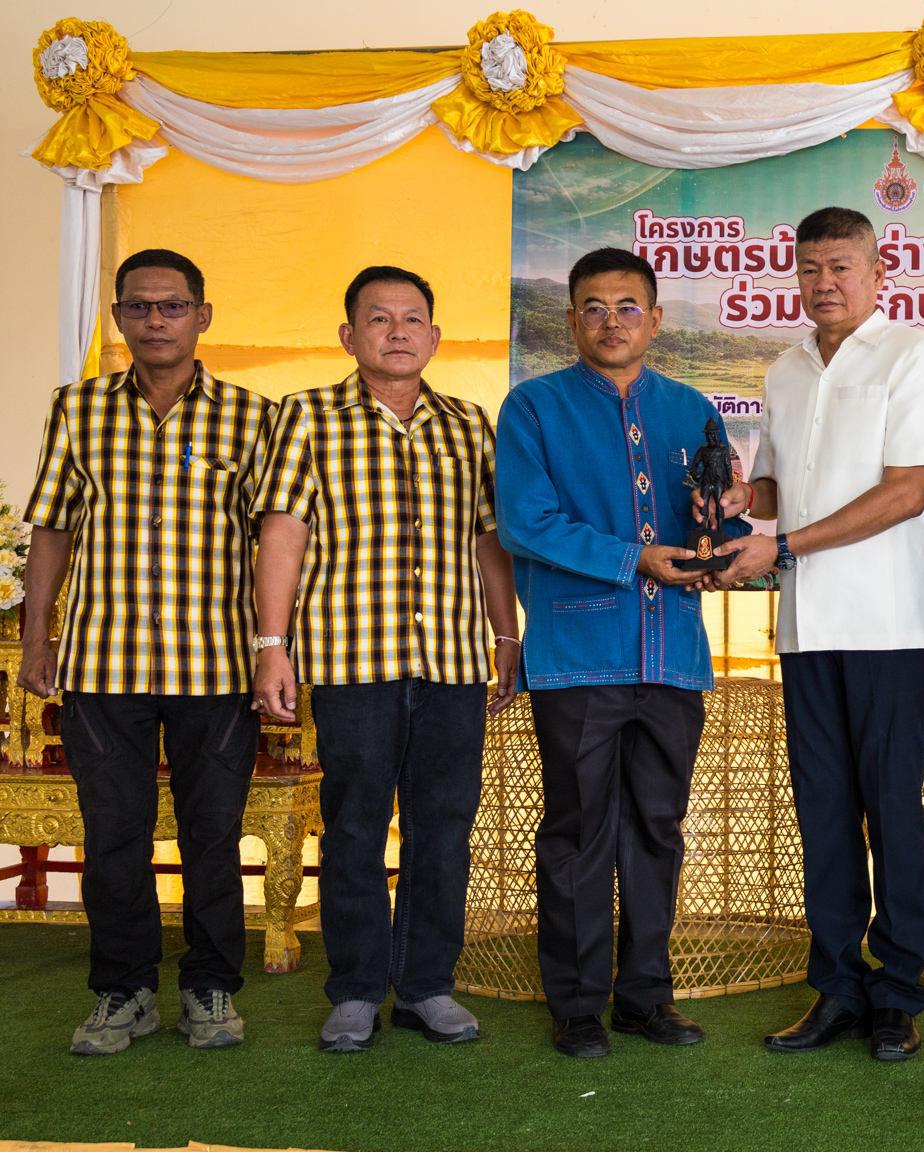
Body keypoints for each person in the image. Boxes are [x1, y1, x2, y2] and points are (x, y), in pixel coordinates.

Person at [704, 206, 924, 1062]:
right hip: (805, 627)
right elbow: (778, 487)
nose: (825, 283)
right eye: (810, 268)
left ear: (878, 272)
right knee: (824, 813)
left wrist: (784, 546)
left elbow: (907, 493)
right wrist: (745, 500)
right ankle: (839, 988)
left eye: (841, 266)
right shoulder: (785, 368)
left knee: (892, 811)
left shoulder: (914, 355)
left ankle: (899, 992)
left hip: (888, 625)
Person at [251, 266, 520, 1053]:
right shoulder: (307, 416)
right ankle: (358, 990)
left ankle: (428, 986)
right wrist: (272, 646)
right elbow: (283, 533)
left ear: (435, 337)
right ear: (349, 335)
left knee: (444, 828)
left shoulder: (468, 425)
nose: (397, 332)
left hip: (452, 662)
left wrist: (507, 636)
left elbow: (489, 541)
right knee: (354, 827)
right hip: (351, 661)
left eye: (411, 319)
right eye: (378, 318)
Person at [495, 247, 748, 1059]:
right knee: (578, 831)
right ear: (571, 319)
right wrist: (635, 558)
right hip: (577, 656)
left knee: (657, 829)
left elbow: (717, 520)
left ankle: (645, 997)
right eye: (595, 308)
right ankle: (576, 1004)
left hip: (673, 657)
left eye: (628, 306)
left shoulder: (691, 409)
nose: (612, 322)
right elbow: (525, 522)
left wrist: (723, 529)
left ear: (656, 319)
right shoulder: (533, 407)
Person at [19, 249, 273, 1055]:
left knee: (212, 835)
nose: (156, 320)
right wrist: (36, 635)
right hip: (102, 662)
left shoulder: (254, 417)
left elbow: (278, 541)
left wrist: (277, 647)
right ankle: (122, 992)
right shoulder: (77, 409)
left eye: (172, 306)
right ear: (119, 317)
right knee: (113, 834)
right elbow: (52, 525)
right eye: (139, 306)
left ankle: (209, 989)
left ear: (203, 315)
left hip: (218, 664)